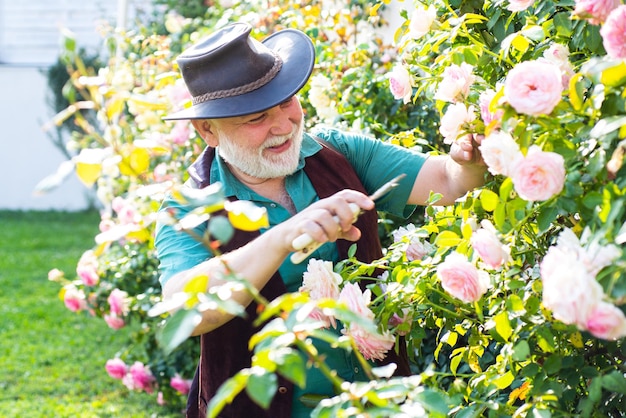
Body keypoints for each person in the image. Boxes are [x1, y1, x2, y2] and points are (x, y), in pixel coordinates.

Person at [155, 22, 486, 418]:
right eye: (257, 117)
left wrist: (470, 156)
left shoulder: (337, 151)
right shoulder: (189, 207)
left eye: (286, 101)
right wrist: (282, 238)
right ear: (208, 130)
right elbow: (184, 311)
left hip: (376, 403)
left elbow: (448, 183)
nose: (283, 124)